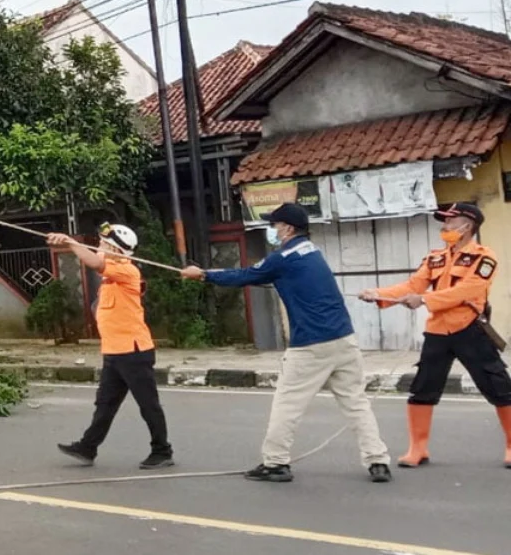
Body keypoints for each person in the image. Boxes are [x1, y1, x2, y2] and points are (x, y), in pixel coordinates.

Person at [181, 203, 392, 483]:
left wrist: (204, 274)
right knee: (356, 404)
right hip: (344, 339)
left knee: (287, 404)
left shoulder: (282, 258)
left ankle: (276, 463)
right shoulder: (312, 251)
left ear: (289, 228)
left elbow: (245, 276)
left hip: (311, 345)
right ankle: (378, 461)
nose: (273, 230)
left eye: (276, 225)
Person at [360, 202, 511, 470]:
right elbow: (412, 286)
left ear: (468, 226)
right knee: (422, 388)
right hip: (437, 332)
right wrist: (379, 294)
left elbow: (466, 290)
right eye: (445, 222)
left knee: (499, 386)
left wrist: (425, 299)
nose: (445, 227)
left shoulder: (484, 258)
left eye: (451, 222)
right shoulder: (434, 258)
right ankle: (418, 449)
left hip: (470, 330)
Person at [48, 222, 175, 470]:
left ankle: (162, 451)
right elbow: (97, 261)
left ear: (115, 250)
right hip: (114, 352)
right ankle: (88, 447)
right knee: (105, 403)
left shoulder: (126, 271)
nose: (98, 247)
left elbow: (95, 262)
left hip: (133, 351)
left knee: (148, 404)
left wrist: (71, 242)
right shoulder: (109, 276)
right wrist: (67, 241)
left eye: (103, 244)